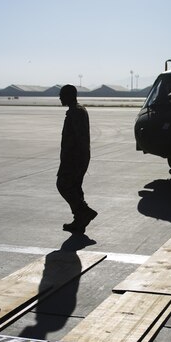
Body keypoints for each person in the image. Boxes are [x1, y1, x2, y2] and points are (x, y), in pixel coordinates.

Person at [57, 84, 97, 233]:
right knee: (74, 188)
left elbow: (79, 139)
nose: (59, 97)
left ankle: (84, 212)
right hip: (75, 157)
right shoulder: (76, 110)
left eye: (62, 94)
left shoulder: (76, 112)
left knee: (63, 185)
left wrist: (76, 161)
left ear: (70, 95)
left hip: (74, 158)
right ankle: (79, 221)